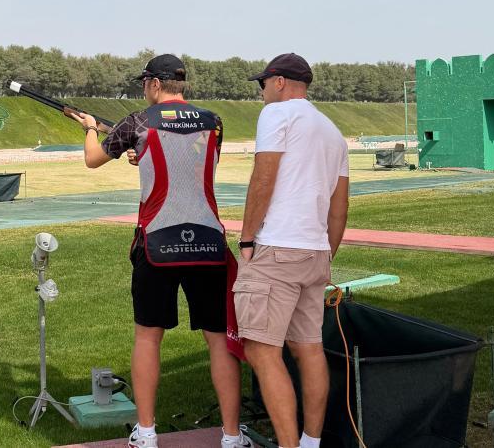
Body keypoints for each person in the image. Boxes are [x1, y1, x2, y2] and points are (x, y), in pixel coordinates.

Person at [67, 54, 252, 448]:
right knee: (219, 341)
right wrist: (142, 154)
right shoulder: (214, 121)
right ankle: (232, 436)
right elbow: (188, 162)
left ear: (154, 83)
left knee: (148, 339)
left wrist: (89, 129)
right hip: (208, 243)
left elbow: (92, 159)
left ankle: (147, 433)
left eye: (144, 83)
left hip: (156, 243)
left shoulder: (137, 121)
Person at [234, 53, 350, 448]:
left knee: (262, 351)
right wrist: (327, 253)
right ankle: (310, 442)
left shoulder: (276, 114)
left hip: (277, 248)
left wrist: (247, 238)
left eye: (263, 83)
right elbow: (339, 206)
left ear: (280, 82)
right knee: (309, 349)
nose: (262, 91)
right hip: (315, 252)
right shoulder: (332, 131)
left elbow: (263, 176)